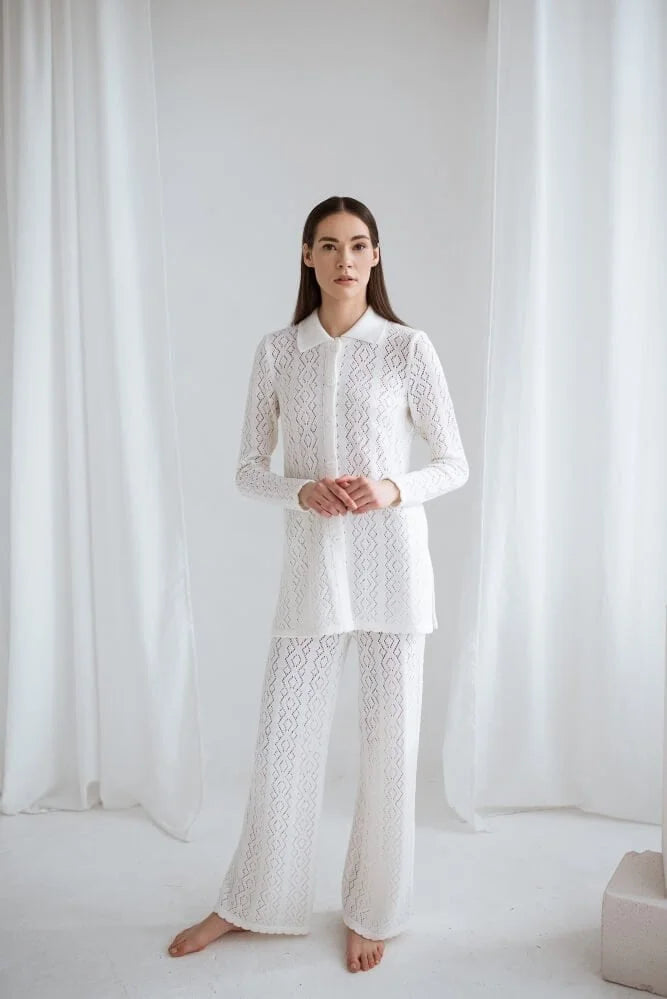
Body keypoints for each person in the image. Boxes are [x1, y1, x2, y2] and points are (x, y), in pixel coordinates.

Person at [168, 195, 469, 973]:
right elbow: (244, 468)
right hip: (313, 571)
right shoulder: (278, 352)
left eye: (358, 244)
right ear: (307, 255)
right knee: (284, 742)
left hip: (394, 571)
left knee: (388, 745)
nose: (344, 258)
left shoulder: (405, 348)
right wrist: (297, 490)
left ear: (375, 256)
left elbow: (453, 461)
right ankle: (252, 900)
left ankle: (373, 908)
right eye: (328, 245)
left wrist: (391, 488)